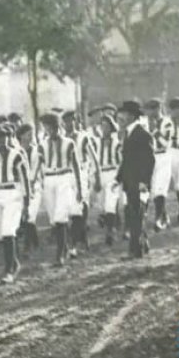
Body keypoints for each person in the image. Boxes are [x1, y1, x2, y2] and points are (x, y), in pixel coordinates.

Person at [0, 124, 31, 283]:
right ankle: (14, 263)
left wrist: (27, 202)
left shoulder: (16, 155)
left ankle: (9, 270)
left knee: (8, 231)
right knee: (1, 234)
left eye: (4, 137)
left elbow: (25, 179)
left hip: (12, 193)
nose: (1, 140)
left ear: (9, 138)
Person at [39, 112, 83, 267]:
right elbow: (38, 165)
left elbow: (76, 165)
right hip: (49, 179)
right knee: (54, 219)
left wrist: (79, 188)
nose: (50, 131)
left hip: (65, 178)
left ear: (58, 127)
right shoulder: (42, 144)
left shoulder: (69, 143)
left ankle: (60, 254)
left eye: (52, 127)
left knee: (60, 216)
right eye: (46, 128)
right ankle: (66, 246)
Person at [116, 100, 155, 260]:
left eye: (123, 114)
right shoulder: (129, 133)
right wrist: (118, 178)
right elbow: (126, 161)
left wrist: (144, 182)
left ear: (131, 116)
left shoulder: (142, 135)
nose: (120, 117)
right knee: (133, 215)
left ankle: (135, 251)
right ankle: (142, 244)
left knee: (136, 216)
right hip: (129, 182)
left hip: (139, 184)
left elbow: (149, 160)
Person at [62, 110, 100, 257]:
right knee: (72, 209)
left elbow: (94, 158)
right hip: (67, 175)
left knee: (80, 207)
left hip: (82, 173)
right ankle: (82, 239)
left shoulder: (83, 137)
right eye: (66, 122)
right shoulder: (62, 138)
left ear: (77, 121)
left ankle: (73, 243)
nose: (68, 124)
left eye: (71, 121)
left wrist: (97, 177)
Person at [145, 98, 174, 230]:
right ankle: (164, 216)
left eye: (154, 109)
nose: (151, 112)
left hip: (163, 157)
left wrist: (155, 131)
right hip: (150, 158)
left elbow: (166, 143)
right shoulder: (145, 123)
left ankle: (158, 219)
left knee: (160, 188)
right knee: (153, 189)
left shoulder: (167, 123)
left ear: (159, 108)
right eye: (149, 109)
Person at [95, 114, 122, 245]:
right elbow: (93, 161)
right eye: (102, 126)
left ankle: (110, 232)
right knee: (102, 204)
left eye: (107, 126)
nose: (104, 129)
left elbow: (122, 161)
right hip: (100, 173)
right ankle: (112, 221)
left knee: (110, 203)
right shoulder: (96, 143)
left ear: (112, 128)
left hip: (113, 172)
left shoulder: (117, 143)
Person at [17, 123, 43, 256]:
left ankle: (27, 247)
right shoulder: (16, 151)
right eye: (28, 134)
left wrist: (31, 184)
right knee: (24, 218)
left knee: (29, 216)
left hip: (34, 187)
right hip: (20, 189)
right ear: (21, 136)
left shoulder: (36, 151)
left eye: (32, 133)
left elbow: (35, 170)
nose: (31, 136)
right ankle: (36, 241)